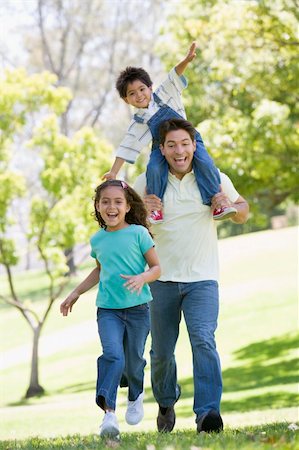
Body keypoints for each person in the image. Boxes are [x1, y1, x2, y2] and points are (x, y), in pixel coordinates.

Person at [134, 118, 249, 434]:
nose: (179, 150)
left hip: (202, 278)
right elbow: (121, 223)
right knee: (160, 354)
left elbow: (243, 211)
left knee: (203, 340)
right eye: (171, 145)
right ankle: (167, 401)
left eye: (184, 143)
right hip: (160, 280)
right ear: (162, 149)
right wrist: (140, 211)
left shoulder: (213, 179)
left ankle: (208, 414)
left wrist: (229, 205)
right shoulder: (146, 181)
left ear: (194, 146)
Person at [60, 180, 161, 439]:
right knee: (113, 355)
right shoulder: (98, 239)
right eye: (105, 201)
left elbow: (157, 268)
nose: (111, 206)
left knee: (134, 360)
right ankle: (108, 414)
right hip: (108, 310)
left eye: (118, 202)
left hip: (138, 309)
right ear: (97, 206)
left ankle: (135, 394)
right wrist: (76, 292)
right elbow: (100, 269)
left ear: (128, 206)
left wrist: (142, 278)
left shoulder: (139, 233)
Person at [102, 42, 236, 223]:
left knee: (205, 162)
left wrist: (186, 60)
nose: (139, 95)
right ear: (127, 100)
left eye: (142, 89)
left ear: (150, 87)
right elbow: (126, 147)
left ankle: (216, 201)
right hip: (161, 147)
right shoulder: (138, 123)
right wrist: (113, 172)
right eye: (132, 94)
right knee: (154, 168)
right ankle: (156, 209)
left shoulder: (165, 94)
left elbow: (174, 74)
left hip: (189, 139)